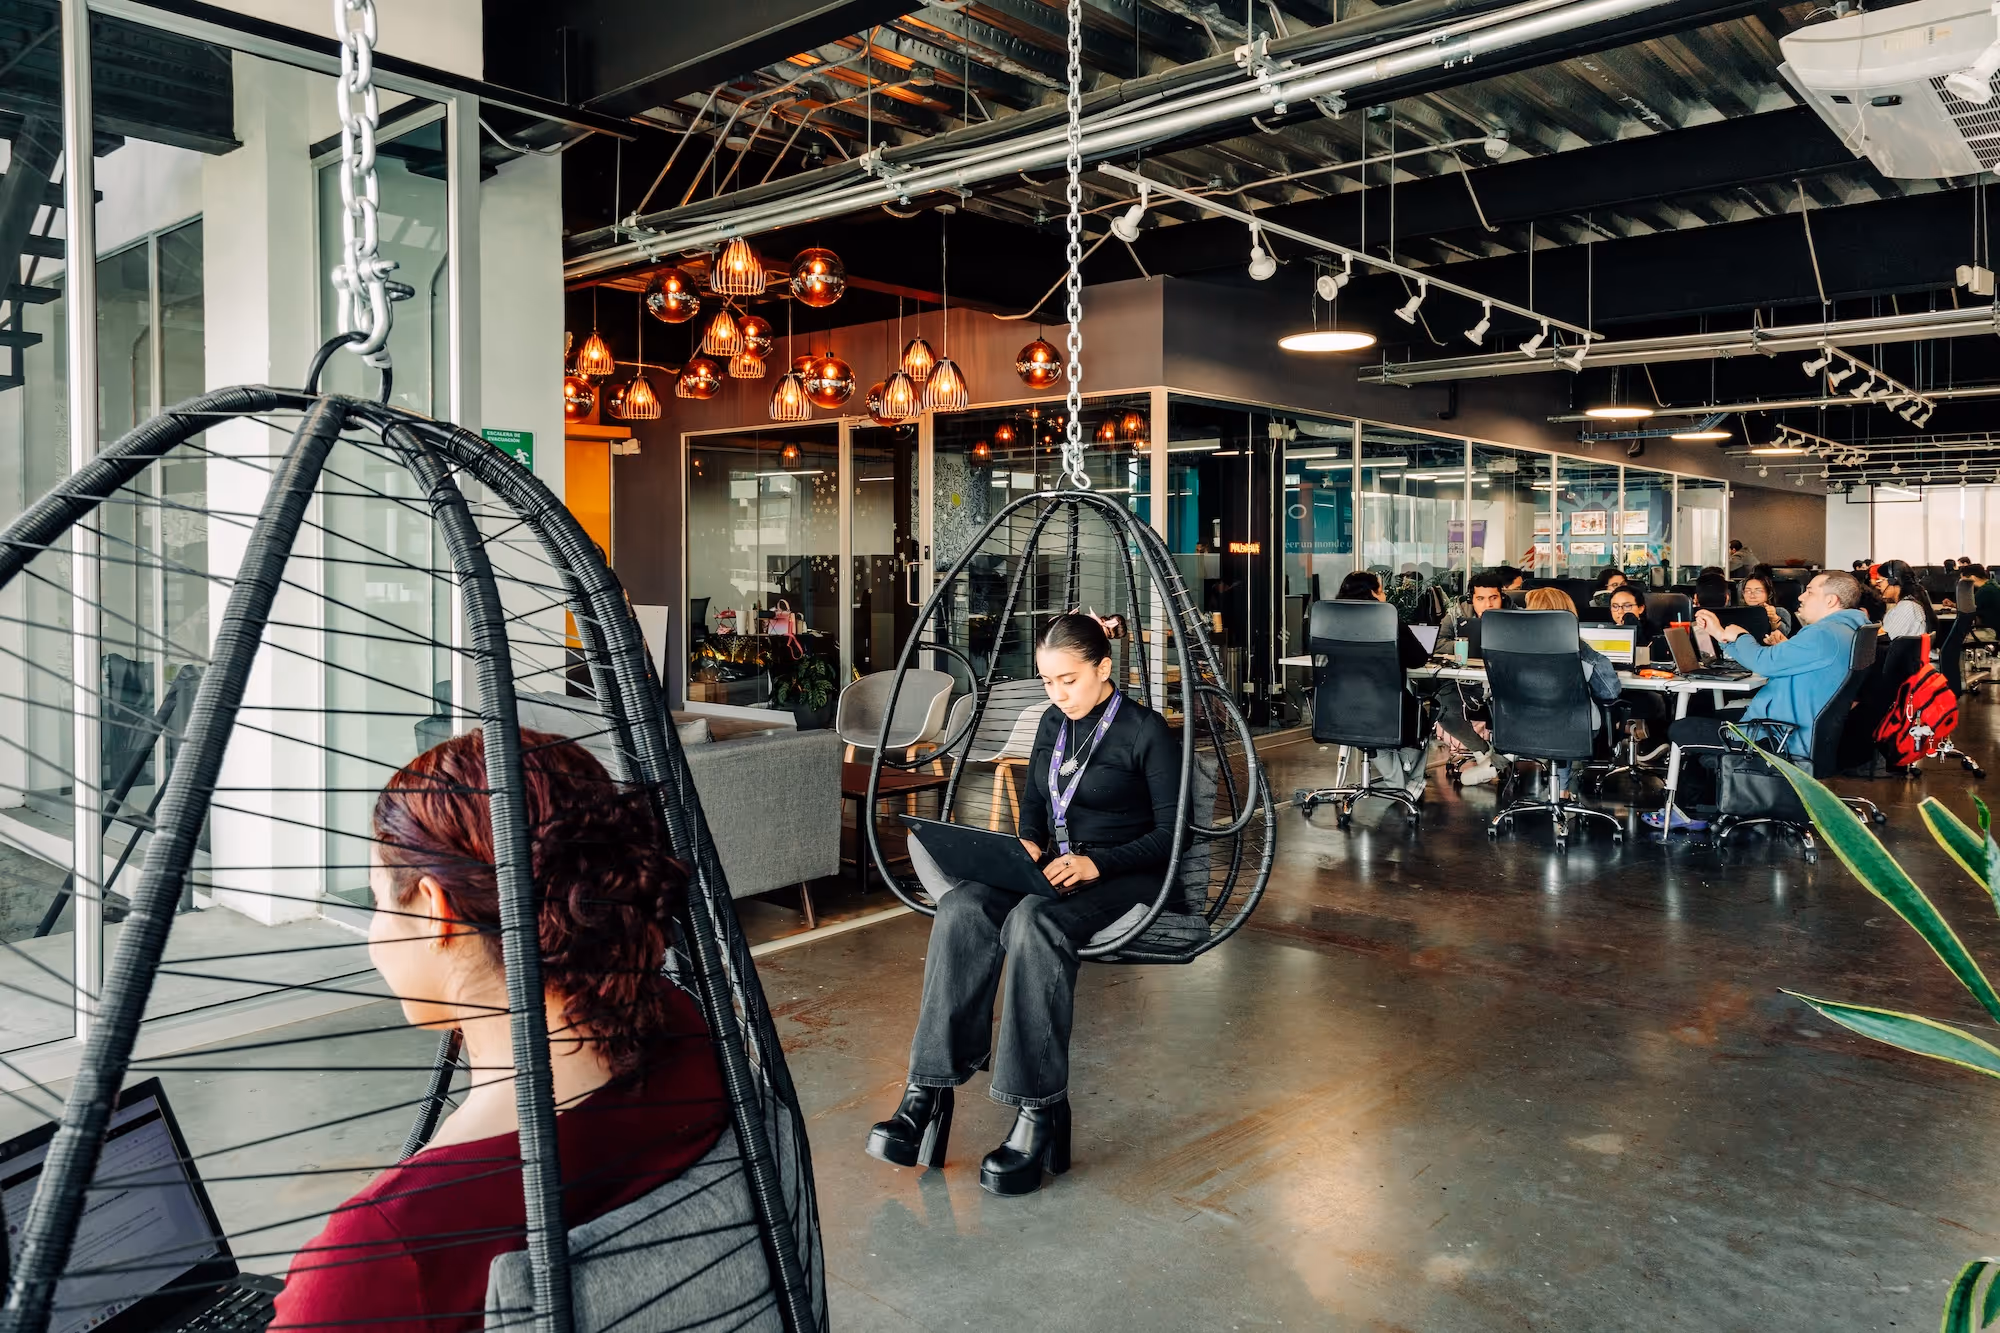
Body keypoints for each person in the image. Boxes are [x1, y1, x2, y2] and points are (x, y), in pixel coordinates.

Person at [273, 730, 732, 1331]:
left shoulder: (383, 1257)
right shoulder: (690, 1035)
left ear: (438, 910)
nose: (375, 936)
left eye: (382, 903)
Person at [869, 612, 1175, 1196]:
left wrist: (1097, 863)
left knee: (1034, 921)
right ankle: (925, 1094)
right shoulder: (1051, 724)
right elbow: (1035, 803)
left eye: (1069, 680)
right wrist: (1028, 843)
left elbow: (1173, 833)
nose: (1057, 694)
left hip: (1124, 876)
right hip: (1053, 869)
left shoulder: (1145, 731)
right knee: (963, 904)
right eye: (1046, 682)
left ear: (1104, 669)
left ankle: (1034, 1110)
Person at [1645, 571, 1870, 830]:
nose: (1802, 596)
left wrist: (1735, 636)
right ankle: (1708, 804)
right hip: (1802, 728)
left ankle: (1692, 812)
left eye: (1810, 591)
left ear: (1831, 601)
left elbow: (1764, 662)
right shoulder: (1849, 630)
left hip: (1778, 733)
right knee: (1710, 721)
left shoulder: (1823, 635)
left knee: (1683, 728)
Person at [1336, 569, 1434, 803]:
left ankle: (1399, 784)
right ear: (1372, 593)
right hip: (1385, 707)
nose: (1385, 592)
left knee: (1370, 729)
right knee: (1422, 717)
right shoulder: (1387, 620)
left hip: (1338, 708)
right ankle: (1407, 785)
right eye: (1381, 589)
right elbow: (1418, 658)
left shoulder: (1331, 621)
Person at [1522, 587, 1622, 795]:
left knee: (1558, 720)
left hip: (1522, 725)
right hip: (1575, 728)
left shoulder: (1509, 648)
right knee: (1565, 718)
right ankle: (1561, 791)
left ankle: (1559, 789)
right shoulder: (1583, 651)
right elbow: (1610, 692)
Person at [1435, 570, 1510, 785]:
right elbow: (1438, 642)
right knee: (1443, 707)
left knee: (1512, 713)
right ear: (1471, 599)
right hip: (1465, 683)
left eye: (1493, 598)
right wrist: (1466, 647)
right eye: (1480, 599)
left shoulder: (1516, 614)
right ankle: (1483, 753)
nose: (1488, 604)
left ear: (1502, 597)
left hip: (1505, 683)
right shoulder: (1457, 613)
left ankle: (1497, 762)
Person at [1873, 559, 1937, 639]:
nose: (1878, 586)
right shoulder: (1908, 604)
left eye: (1880, 581)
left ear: (1892, 581)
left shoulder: (1907, 607)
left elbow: (1887, 639)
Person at [1740, 571, 1794, 640]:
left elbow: (1784, 634)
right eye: (1748, 591)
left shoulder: (1780, 612)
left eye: (1758, 591)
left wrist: (1774, 618)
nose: (1752, 595)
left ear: (1768, 593)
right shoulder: (1739, 612)